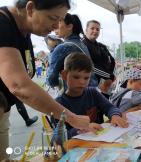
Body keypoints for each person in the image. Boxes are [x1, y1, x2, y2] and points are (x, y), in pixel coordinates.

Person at [0, 0, 100, 160]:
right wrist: (73, 118)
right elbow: (19, 85)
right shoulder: (3, 24)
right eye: (53, 18)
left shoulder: (23, 30)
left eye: (59, 20)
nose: (55, 26)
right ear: (30, 8)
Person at [56, 53, 128, 138]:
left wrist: (115, 115)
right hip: (77, 146)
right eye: (76, 77)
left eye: (86, 78)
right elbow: (58, 136)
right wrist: (82, 128)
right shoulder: (58, 104)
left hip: (100, 139)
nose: (82, 82)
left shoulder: (93, 93)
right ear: (64, 75)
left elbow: (110, 107)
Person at [47, 13, 95, 88]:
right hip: (88, 92)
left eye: (59, 22)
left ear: (69, 26)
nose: (55, 25)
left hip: (73, 96)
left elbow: (50, 80)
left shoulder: (63, 47)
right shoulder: (82, 45)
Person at [82, 20, 116, 90]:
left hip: (104, 83)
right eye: (92, 28)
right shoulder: (82, 45)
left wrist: (109, 75)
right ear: (86, 30)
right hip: (90, 84)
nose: (95, 31)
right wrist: (109, 76)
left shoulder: (101, 46)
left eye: (98, 29)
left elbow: (112, 61)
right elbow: (90, 67)